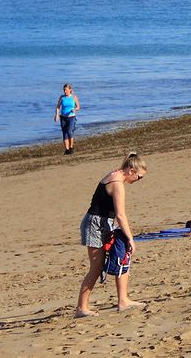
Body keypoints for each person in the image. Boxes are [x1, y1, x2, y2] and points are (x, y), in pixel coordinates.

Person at [75, 152, 146, 316]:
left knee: (122, 255)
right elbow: (121, 215)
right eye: (139, 177)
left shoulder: (117, 175)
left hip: (105, 223)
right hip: (95, 224)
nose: (138, 181)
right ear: (131, 170)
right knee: (97, 266)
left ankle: (123, 300)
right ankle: (81, 308)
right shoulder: (117, 183)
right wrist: (130, 238)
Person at [56, 83, 81, 155]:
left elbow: (78, 107)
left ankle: (71, 147)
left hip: (71, 117)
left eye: (66, 90)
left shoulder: (74, 97)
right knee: (64, 133)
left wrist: (74, 109)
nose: (65, 92)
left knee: (70, 132)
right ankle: (66, 150)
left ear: (70, 90)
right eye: (64, 90)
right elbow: (58, 107)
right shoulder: (62, 97)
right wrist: (57, 115)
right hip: (63, 117)